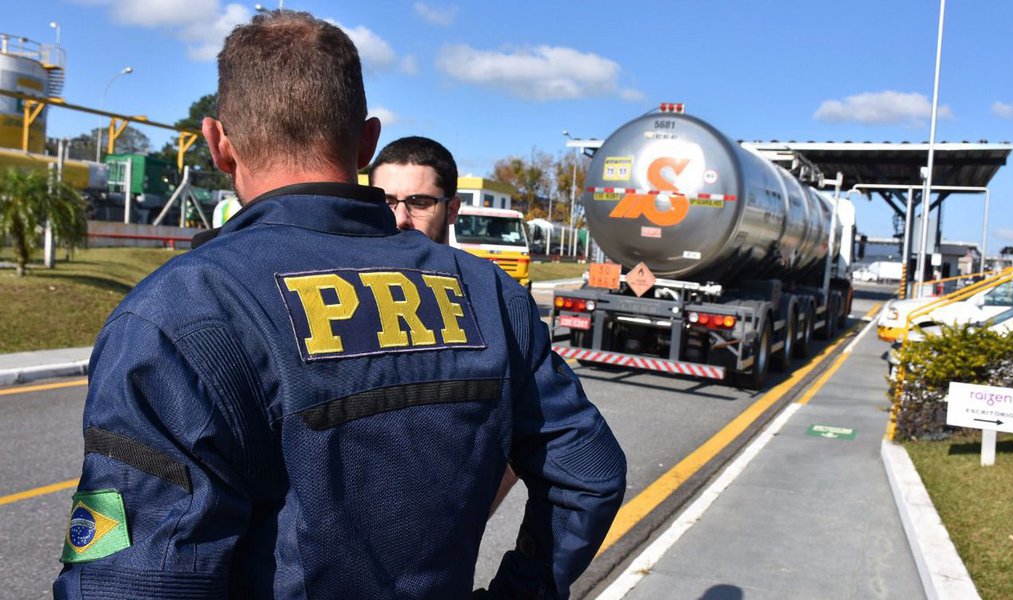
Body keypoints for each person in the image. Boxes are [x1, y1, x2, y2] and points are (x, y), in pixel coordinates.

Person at [53, 10, 625, 600]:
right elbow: (591, 475)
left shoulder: (181, 311)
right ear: (367, 143)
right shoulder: (486, 292)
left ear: (219, 144)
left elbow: (133, 583)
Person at [369, 136, 517, 515]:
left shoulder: (490, 299)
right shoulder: (336, 294)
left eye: (419, 203)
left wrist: (467, 522)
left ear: (452, 210)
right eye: (385, 201)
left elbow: (538, 441)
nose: (400, 217)